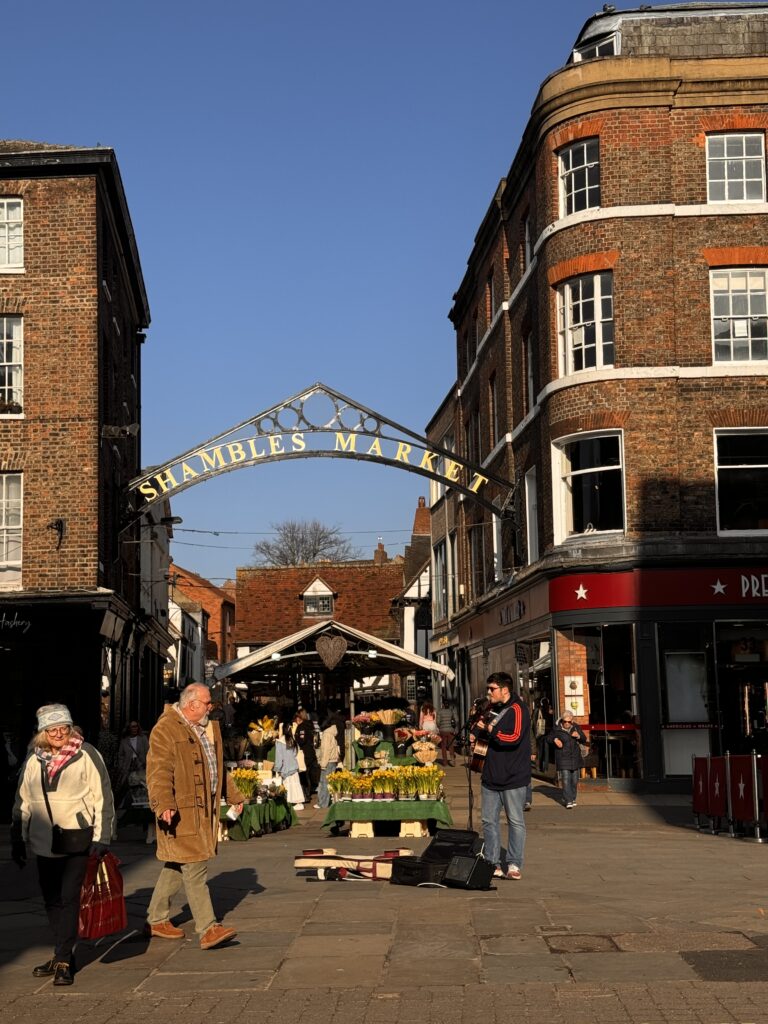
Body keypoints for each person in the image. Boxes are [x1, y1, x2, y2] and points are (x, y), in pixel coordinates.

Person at [10, 704, 115, 986]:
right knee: (51, 899)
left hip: (77, 838)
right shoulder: (34, 760)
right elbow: (23, 802)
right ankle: (62, 952)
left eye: (63, 728)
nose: (58, 734)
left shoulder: (86, 755)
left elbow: (102, 797)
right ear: (43, 732)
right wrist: (17, 838)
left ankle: (65, 959)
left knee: (69, 899)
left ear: (70, 729)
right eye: (52, 729)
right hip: (44, 841)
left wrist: (102, 837)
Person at [145, 682, 245, 950]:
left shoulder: (206, 728)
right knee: (196, 866)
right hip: (181, 812)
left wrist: (233, 795)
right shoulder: (165, 729)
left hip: (203, 812)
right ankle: (208, 928)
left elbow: (218, 767)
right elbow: (158, 770)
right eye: (206, 703)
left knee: (178, 864)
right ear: (191, 705)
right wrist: (164, 802)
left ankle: (156, 918)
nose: (210, 707)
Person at [470, 672, 531, 881]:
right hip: (490, 775)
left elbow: (512, 738)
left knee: (515, 821)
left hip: (513, 776)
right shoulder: (490, 708)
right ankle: (492, 863)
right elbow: (482, 734)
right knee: (488, 821)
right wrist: (476, 731)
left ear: (505, 689)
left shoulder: (518, 709)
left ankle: (514, 863)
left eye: (492, 689)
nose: (488, 692)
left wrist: (490, 729)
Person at [548, 711, 588, 808]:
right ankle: (568, 800)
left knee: (574, 781)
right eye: (565, 721)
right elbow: (548, 738)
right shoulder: (557, 728)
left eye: (569, 722)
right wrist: (555, 740)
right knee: (566, 780)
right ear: (562, 720)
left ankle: (573, 798)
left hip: (575, 757)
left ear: (572, 721)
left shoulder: (576, 727)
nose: (567, 723)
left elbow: (584, 738)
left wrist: (578, 735)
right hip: (562, 758)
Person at [274, 715, 306, 810]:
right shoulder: (292, 740)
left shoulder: (280, 742)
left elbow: (279, 758)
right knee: (296, 785)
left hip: (285, 768)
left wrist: (277, 769)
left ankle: (290, 802)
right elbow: (296, 753)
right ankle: (299, 802)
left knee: (288, 786)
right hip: (294, 767)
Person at [314, 708, 343, 810]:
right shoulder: (332, 733)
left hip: (328, 761)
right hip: (333, 761)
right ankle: (329, 801)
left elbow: (326, 750)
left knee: (324, 783)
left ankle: (323, 803)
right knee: (330, 783)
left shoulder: (326, 735)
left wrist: (323, 764)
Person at [116, 720, 150, 806]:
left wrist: (147, 763)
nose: (135, 728)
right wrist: (122, 766)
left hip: (140, 764)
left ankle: (140, 802)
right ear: (129, 728)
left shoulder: (143, 739)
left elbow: (149, 752)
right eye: (133, 726)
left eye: (136, 726)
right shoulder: (125, 741)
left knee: (141, 783)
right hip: (128, 765)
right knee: (127, 784)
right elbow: (121, 755)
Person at [292, 707, 319, 800]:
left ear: (299, 717)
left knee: (304, 773)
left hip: (304, 752)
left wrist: (295, 740)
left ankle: (306, 794)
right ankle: (309, 790)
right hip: (311, 752)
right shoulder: (310, 725)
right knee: (309, 772)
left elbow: (302, 740)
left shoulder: (302, 727)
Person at [533, 697, 553, 772]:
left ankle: (540, 766)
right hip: (547, 732)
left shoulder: (538, 711)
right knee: (546, 750)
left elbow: (534, 722)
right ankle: (546, 767)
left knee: (540, 750)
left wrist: (535, 732)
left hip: (540, 732)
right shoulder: (550, 712)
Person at [437, 699, 456, 767]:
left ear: (443, 705)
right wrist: (453, 726)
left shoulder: (440, 712)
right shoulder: (451, 711)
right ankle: (452, 760)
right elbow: (456, 720)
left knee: (443, 746)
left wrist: (440, 727)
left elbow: (438, 722)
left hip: (443, 731)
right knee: (451, 745)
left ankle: (445, 762)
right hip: (450, 730)